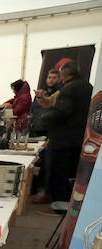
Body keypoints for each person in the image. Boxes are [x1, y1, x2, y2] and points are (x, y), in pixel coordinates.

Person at [43, 61, 93, 212]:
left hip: (64, 138)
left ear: (63, 75)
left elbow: (62, 112)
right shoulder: (88, 86)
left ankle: (58, 204)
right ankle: (69, 204)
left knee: (59, 173)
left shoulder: (69, 88)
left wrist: (46, 117)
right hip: (81, 136)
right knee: (73, 173)